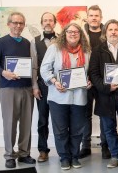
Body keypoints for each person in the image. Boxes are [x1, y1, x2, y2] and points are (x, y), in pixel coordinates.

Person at [40, 23, 92, 170]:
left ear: (80, 34)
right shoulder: (54, 48)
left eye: (76, 32)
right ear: (65, 33)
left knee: (77, 130)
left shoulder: (87, 51)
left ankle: (74, 157)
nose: (73, 34)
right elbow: (44, 69)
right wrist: (54, 81)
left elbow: (89, 73)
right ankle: (64, 157)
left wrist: (89, 82)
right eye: (70, 31)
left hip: (79, 96)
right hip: (58, 96)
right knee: (61, 130)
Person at [88, 19, 118, 170]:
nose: (113, 32)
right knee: (108, 128)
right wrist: (106, 87)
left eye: (116, 30)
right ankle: (115, 156)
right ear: (106, 32)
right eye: (110, 29)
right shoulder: (98, 50)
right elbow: (93, 73)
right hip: (105, 95)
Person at [0, 12, 37, 168]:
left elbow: (33, 66)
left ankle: (24, 153)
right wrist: (3, 72)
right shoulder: (1, 42)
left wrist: (34, 86)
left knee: (26, 122)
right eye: (15, 23)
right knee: (10, 123)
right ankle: (9, 155)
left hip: (27, 88)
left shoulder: (27, 43)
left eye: (21, 23)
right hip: (8, 89)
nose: (18, 26)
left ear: (24, 25)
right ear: (9, 24)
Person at [79, 5, 111, 159]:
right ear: (87, 17)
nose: (94, 18)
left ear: (101, 17)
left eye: (96, 15)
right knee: (86, 114)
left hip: (103, 80)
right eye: (91, 15)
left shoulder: (108, 33)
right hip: (85, 80)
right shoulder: (81, 34)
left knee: (104, 113)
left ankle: (105, 145)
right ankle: (85, 145)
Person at [30, 12, 58, 162]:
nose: (48, 22)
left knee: (61, 119)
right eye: (45, 20)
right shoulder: (34, 42)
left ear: (55, 23)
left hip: (60, 86)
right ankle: (42, 150)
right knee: (42, 119)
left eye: (50, 20)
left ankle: (63, 149)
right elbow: (34, 67)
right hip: (43, 86)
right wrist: (35, 86)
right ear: (41, 24)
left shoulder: (62, 39)